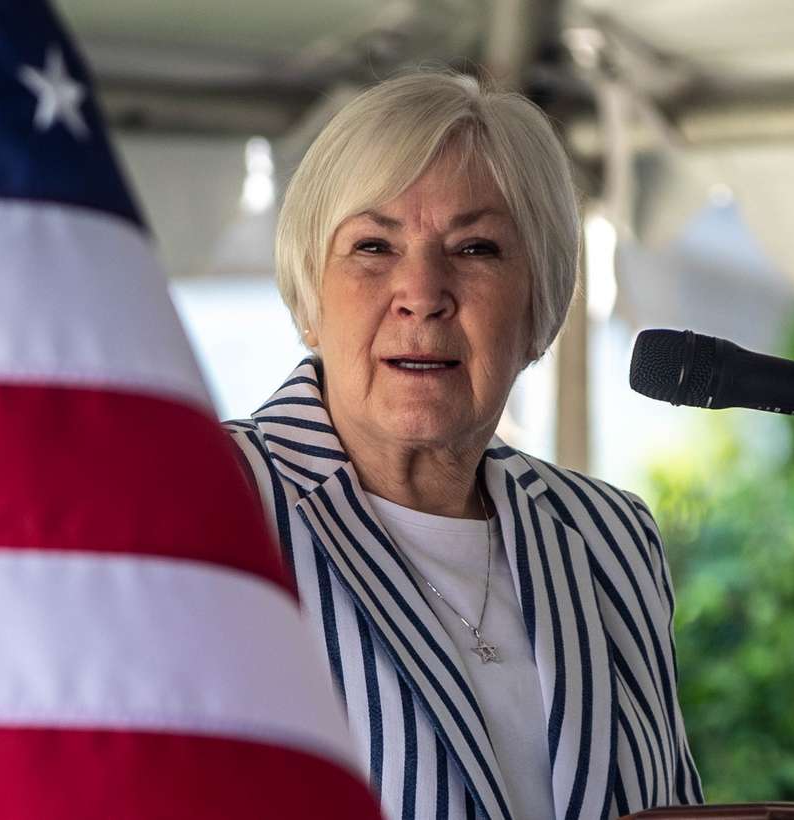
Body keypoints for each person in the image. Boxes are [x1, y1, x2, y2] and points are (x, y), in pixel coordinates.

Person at [225, 70, 702, 820]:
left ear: (539, 304)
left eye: (476, 248)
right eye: (374, 245)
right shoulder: (213, 499)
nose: (423, 290)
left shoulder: (611, 536)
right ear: (310, 296)